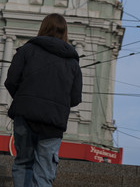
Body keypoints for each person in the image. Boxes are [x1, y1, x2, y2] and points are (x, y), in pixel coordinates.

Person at [5, 13, 82, 187]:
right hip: (53, 122)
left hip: (25, 116)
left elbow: (11, 81)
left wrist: (24, 98)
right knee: (45, 169)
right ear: (65, 32)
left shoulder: (26, 50)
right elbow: (75, 98)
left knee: (23, 162)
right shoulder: (72, 62)